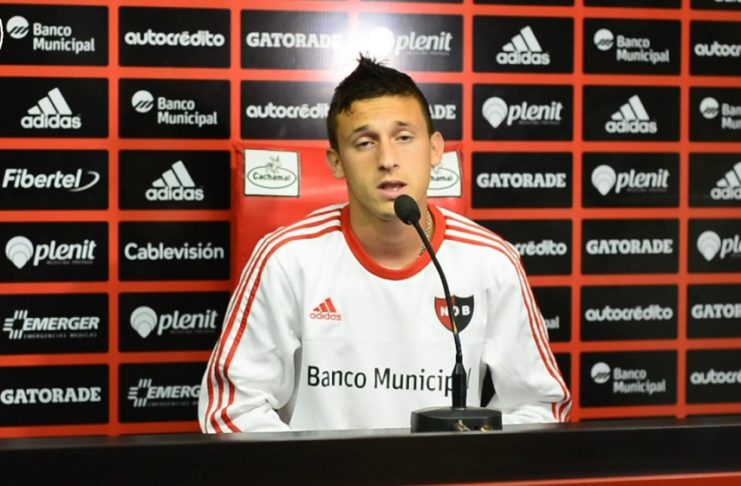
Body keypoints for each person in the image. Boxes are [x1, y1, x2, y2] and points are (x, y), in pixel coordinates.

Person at [198, 56, 570, 432]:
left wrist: (468, 457)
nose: (387, 160)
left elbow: (538, 406)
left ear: (435, 150)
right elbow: (233, 409)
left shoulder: (491, 261)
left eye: (404, 137)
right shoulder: (287, 258)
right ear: (336, 162)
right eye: (364, 143)